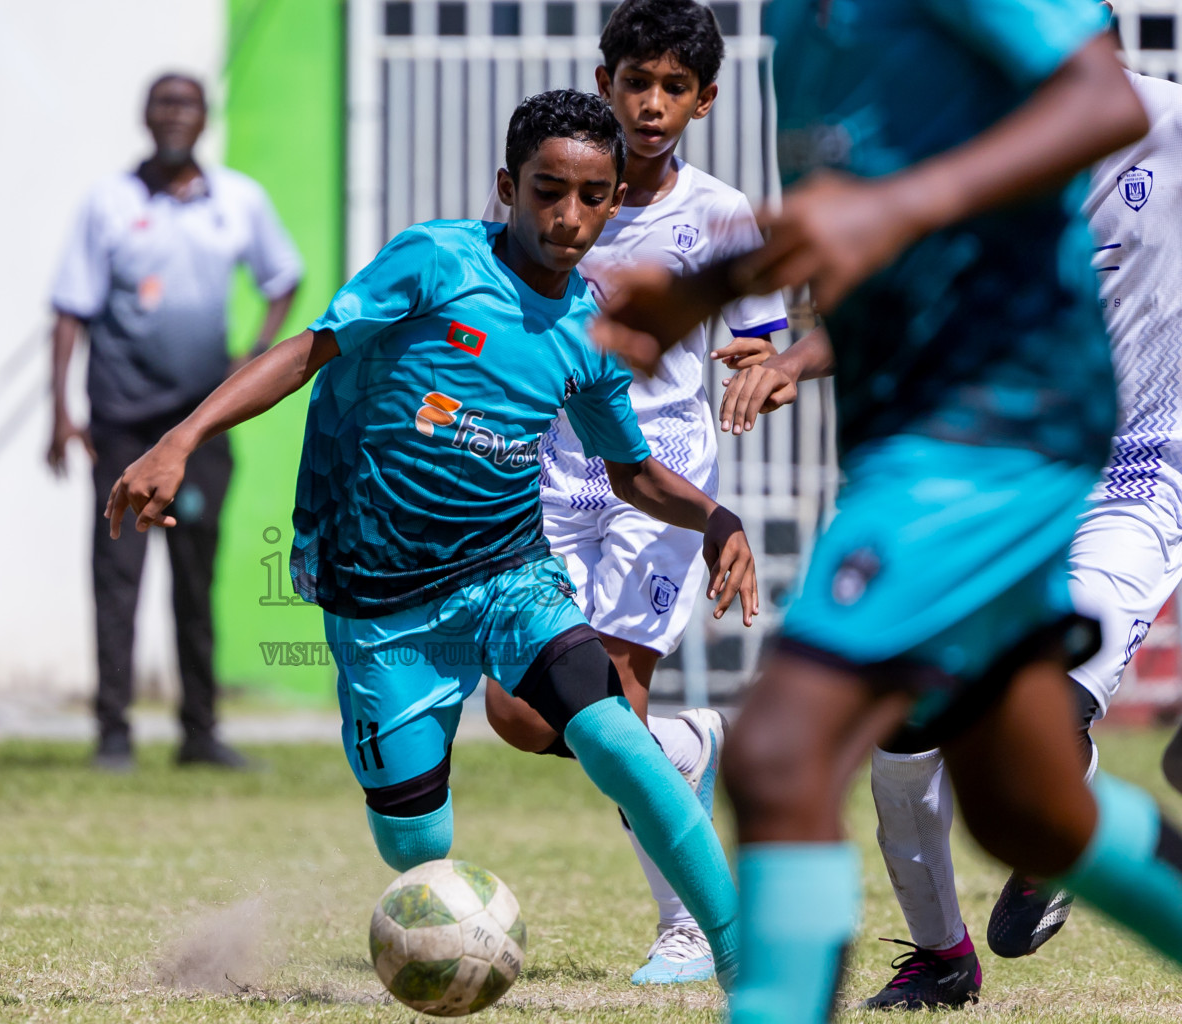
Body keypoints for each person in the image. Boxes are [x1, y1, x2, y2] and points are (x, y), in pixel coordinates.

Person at [592, 1, 1182, 1020]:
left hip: (1008, 426)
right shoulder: (803, 25)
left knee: (784, 747)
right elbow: (867, 234)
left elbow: (1099, 101)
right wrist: (724, 292)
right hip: (914, 433)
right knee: (1027, 803)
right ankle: (952, 948)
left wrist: (897, 208)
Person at [108, 88, 758, 989]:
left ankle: (744, 960)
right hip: (381, 599)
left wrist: (718, 518)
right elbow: (306, 351)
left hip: (510, 577)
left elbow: (633, 473)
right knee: (414, 840)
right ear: (508, 185)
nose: (567, 217)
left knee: (616, 739)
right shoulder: (436, 261)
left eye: (591, 195)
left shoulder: (592, 332)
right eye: (547, 191)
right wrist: (182, 439)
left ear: (615, 202)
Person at [478, 0, 786, 986]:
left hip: (660, 470)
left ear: (704, 100)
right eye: (635, 82)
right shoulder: (569, 189)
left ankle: (686, 925)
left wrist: (752, 361)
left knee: (610, 695)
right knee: (520, 711)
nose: (651, 104)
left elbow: (759, 330)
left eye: (673, 88)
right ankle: (685, 751)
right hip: (551, 468)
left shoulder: (720, 211)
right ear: (605, 81)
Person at [48, 72, 302, 772]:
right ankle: (113, 733)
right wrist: (60, 412)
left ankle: (199, 732)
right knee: (117, 575)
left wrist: (252, 354)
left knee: (195, 573)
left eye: (186, 104)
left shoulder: (239, 201)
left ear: (204, 117)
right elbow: (70, 309)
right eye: (163, 103)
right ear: (144, 116)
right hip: (124, 422)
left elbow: (284, 277)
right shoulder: (109, 202)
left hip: (199, 428)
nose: (174, 115)